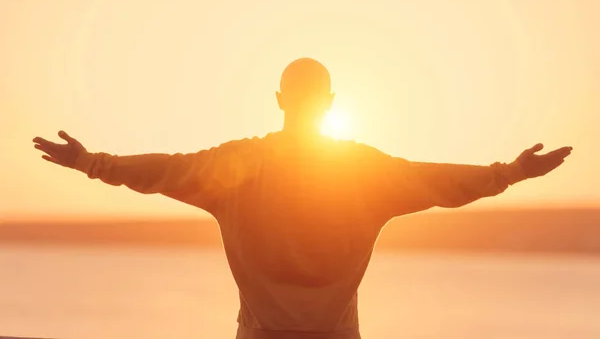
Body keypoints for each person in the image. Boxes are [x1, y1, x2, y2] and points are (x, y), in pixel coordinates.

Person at [33, 57, 572, 339]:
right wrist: (511, 174)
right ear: (332, 102)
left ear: (279, 100)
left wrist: (91, 163)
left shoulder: (234, 168)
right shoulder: (363, 173)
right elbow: (439, 182)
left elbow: (162, 171)